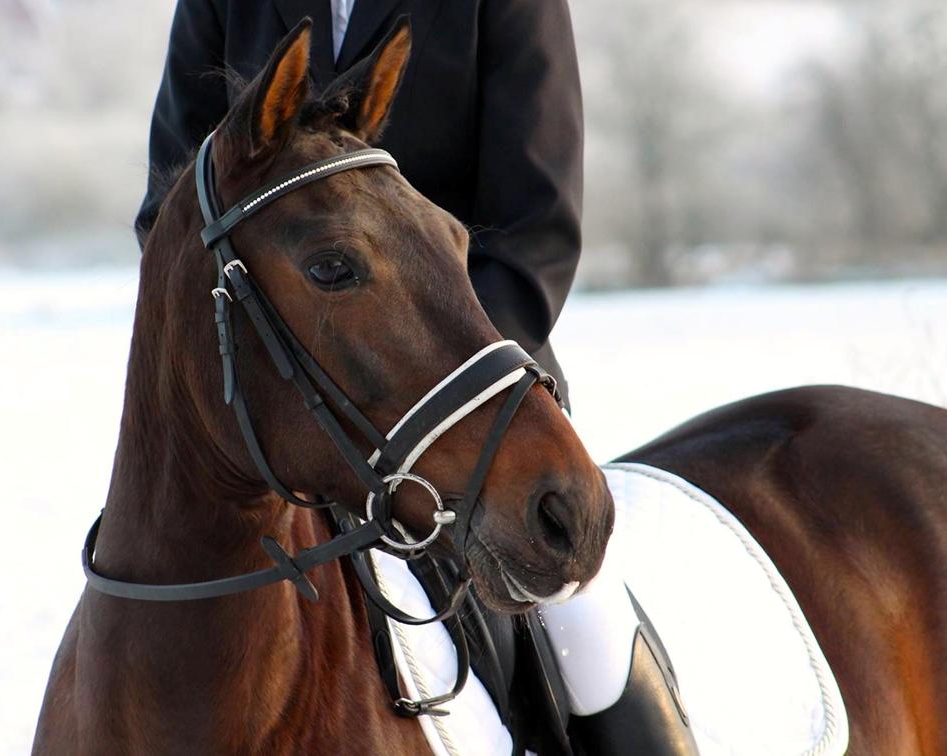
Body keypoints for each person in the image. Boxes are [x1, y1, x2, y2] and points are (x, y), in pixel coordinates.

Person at [136, 2, 697, 753]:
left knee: (586, 634)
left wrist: (448, 405)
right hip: (273, 397)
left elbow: (537, 227)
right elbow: (171, 215)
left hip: (459, 391)